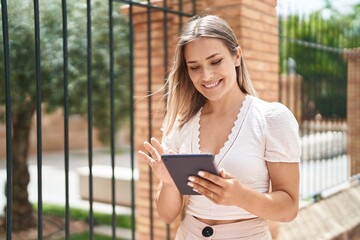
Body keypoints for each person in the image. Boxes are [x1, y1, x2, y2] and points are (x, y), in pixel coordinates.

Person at [138, 15, 301, 239]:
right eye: (194, 67)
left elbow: (289, 208)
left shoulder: (272, 118)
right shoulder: (181, 123)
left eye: (215, 61)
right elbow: (167, 215)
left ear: (236, 56)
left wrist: (240, 196)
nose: (206, 75)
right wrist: (169, 183)